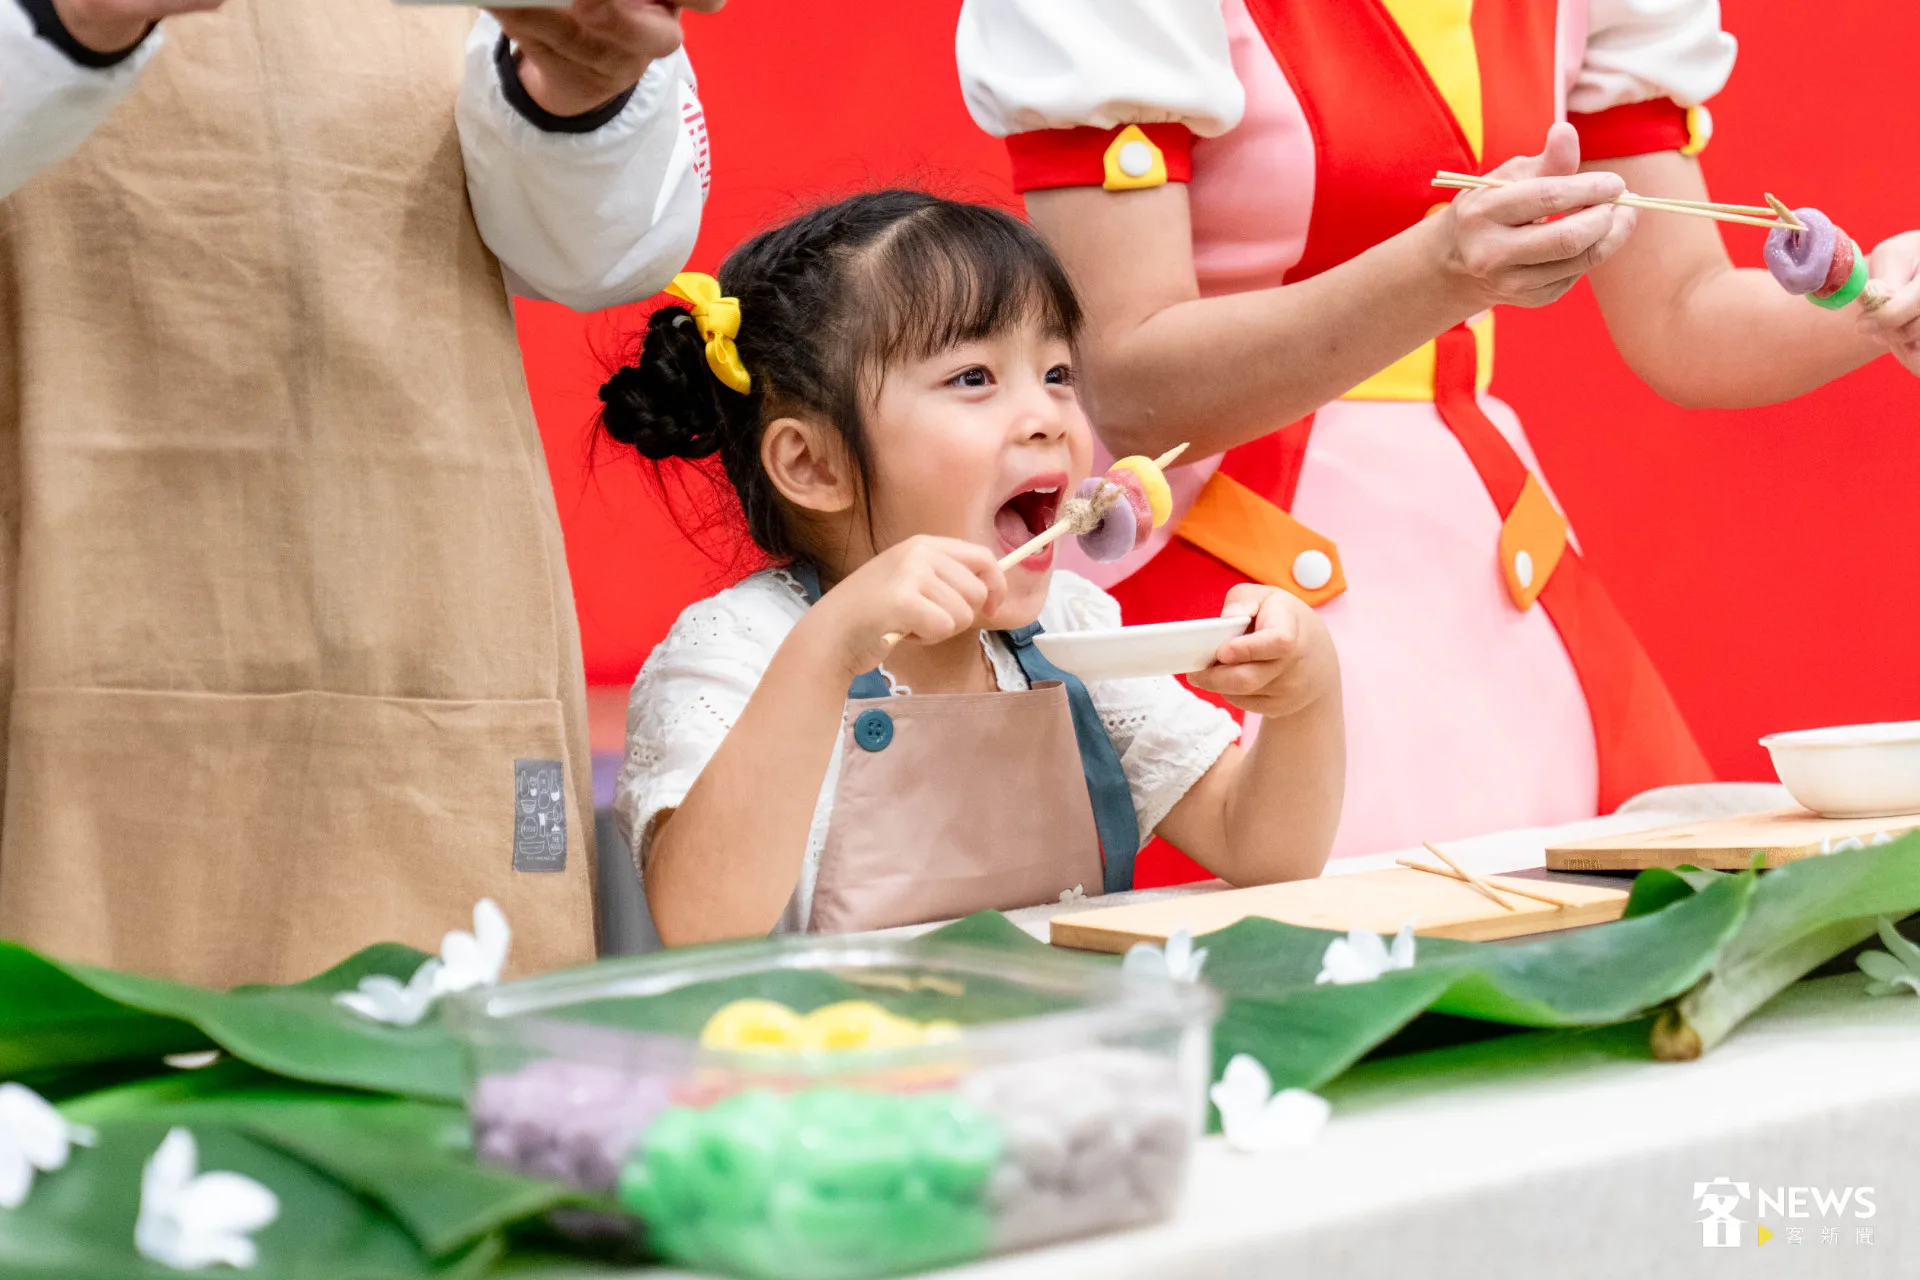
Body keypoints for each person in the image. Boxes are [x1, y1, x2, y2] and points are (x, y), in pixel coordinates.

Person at [954, 0, 1920, 875]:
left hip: (1489, 571)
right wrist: (1442, 274)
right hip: (1224, 570)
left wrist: (1872, 304)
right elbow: (1126, 378)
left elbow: (1682, 313)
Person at [0, 0, 722, 984]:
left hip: (429, 590)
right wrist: (66, 25)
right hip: (55, 562)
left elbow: (604, 252)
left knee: (458, 1081)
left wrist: (579, 86)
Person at [604, 192, 1343, 944]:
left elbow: (1263, 850)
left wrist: (1306, 699)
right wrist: (827, 650)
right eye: (973, 379)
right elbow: (700, 924)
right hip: (843, 1056)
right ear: (813, 463)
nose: (1050, 415)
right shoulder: (740, 647)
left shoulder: (1070, 635)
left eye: (1057, 371)